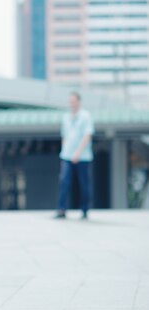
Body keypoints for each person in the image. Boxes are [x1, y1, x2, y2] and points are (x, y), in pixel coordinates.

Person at [55, 91, 94, 219]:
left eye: (73, 101)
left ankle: (84, 210)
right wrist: (64, 150)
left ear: (78, 101)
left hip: (83, 157)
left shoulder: (85, 116)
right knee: (64, 182)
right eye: (70, 101)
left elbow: (87, 135)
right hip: (66, 155)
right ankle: (61, 209)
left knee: (83, 184)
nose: (71, 103)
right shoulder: (66, 117)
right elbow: (64, 135)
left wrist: (78, 152)